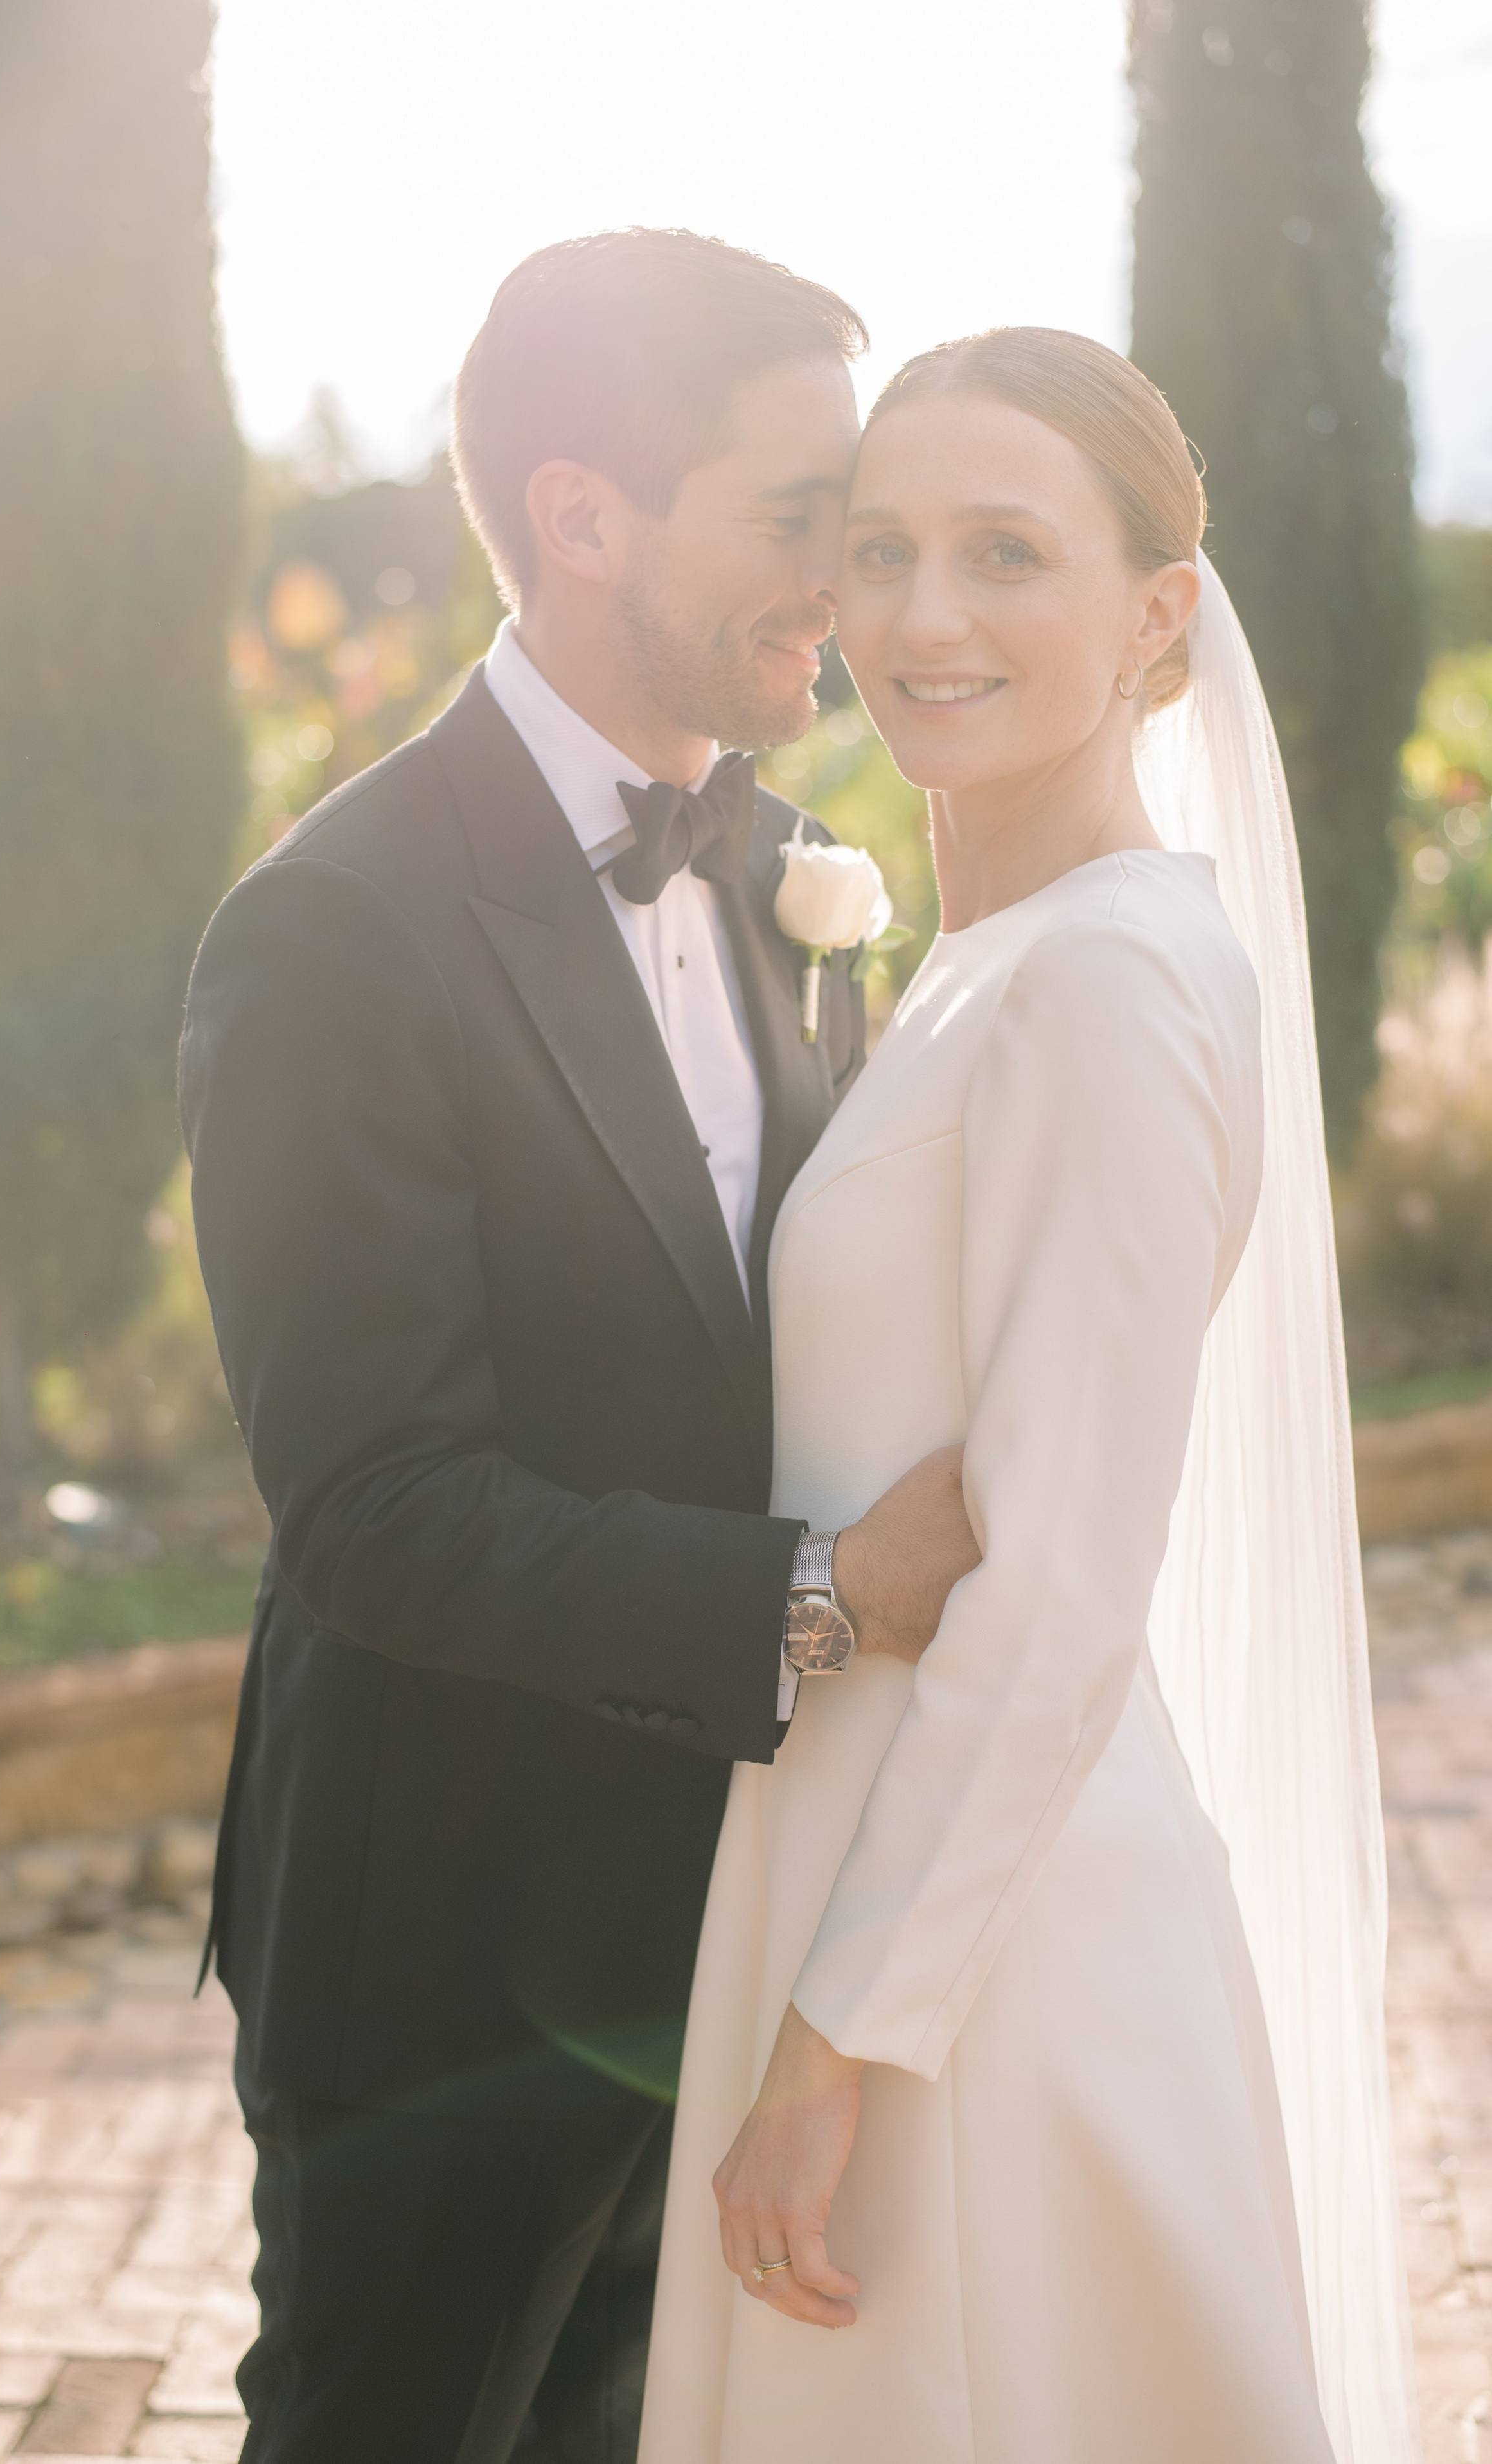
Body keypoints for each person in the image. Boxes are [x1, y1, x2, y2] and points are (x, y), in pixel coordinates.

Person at [178, 229, 981, 2464]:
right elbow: (372, 1504)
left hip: (728, 1936)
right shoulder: (330, 933)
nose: (856, 573)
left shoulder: (806, 866)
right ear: (583, 516)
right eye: (802, 513)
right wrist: (815, 1593)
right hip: (448, 1945)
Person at [640, 329, 1420, 2464]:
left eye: (1006, 552)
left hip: (969, 1962)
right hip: (857, 1865)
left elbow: (1063, 1574)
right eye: (882, 550)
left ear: (1159, 618)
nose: (924, 614)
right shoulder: (1001, 956)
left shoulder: (1112, 976)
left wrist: (834, 2051)